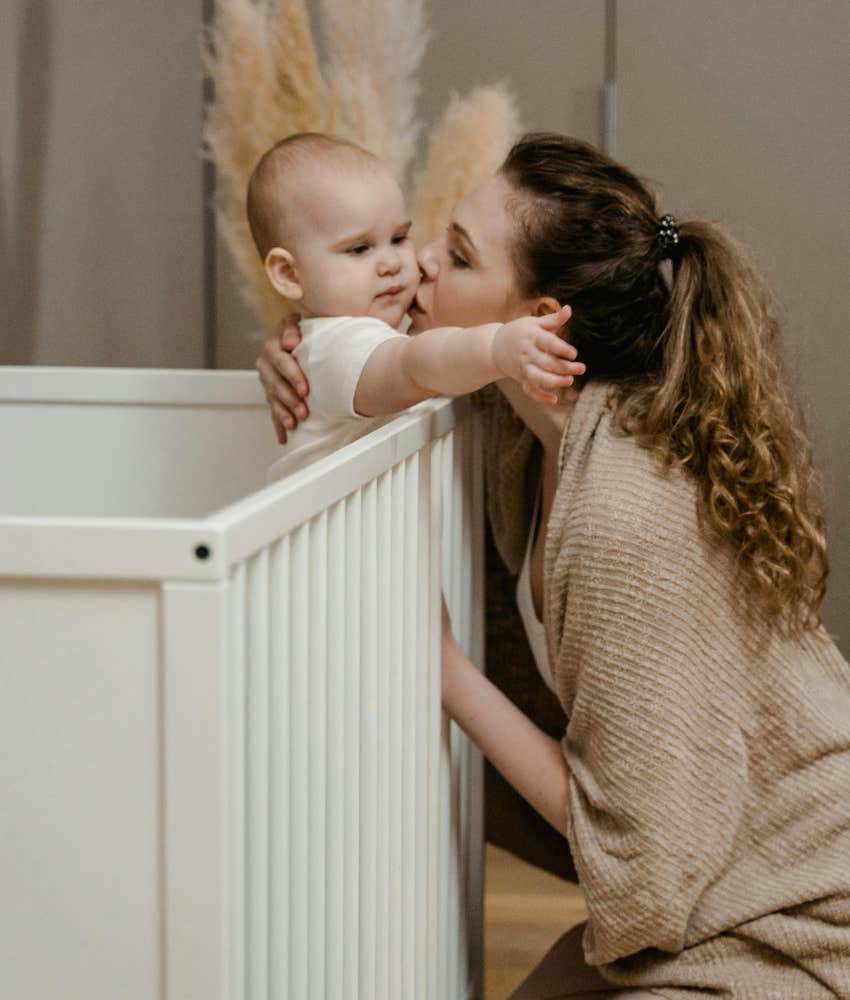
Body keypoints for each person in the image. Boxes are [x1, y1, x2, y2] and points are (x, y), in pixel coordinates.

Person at [256, 132, 850, 998]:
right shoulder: (515, 419)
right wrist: (305, 343)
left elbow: (637, 847)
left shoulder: (627, 511)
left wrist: (443, 670)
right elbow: (388, 368)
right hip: (708, 871)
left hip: (796, 907)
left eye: (454, 256)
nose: (414, 265)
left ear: (536, 324)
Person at [246, 132, 582, 479]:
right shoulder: (334, 348)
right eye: (359, 249)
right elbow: (412, 363)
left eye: (398, 238)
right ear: (288, 274)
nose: (394, 262)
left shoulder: (381, 335)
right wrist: (495, 347)